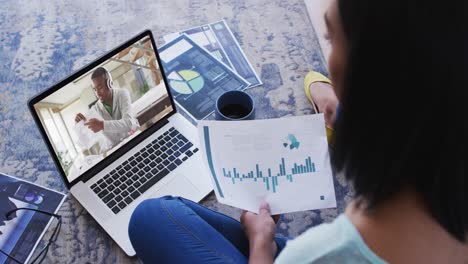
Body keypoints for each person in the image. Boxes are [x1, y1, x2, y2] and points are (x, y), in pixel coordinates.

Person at [127, 0, 467, 263]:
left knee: (150, 217)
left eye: (331, 39)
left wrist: (263, 246)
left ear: (368, 75)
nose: (328, 58)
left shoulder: (320, 252)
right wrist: (334, 99)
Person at [75, 67, 139, 148]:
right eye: (95, 89)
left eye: (100, 87)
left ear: (109, 83)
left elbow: (128, 124)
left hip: (134, 138)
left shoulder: (122, 93)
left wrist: (102, 125)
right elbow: (86, 142)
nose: (97, 93)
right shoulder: (95, 109)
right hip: (117, 148)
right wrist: (79, 124)